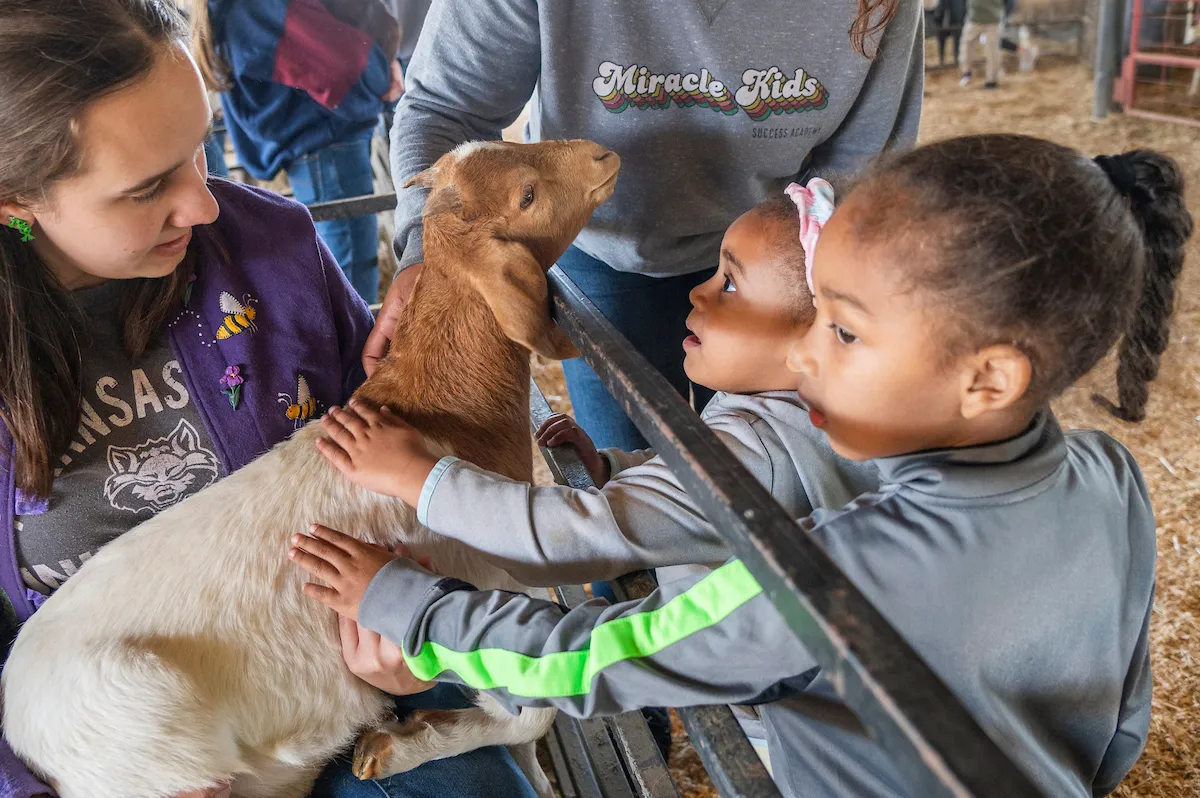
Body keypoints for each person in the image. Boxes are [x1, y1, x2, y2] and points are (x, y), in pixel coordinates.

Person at [291, 133, 1193, 797]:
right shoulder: (1113, 478)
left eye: (841, 332)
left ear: (988, 377)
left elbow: (609, 653)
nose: (803, 359)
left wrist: (413, 608)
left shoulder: (833, 571)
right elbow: (1118, 727)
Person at [0, 2, 536, 797]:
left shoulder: (269, 245)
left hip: (339, 683)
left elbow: (388, 449)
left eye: (201, 151)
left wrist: (419, 622)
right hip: (123, 748)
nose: (206, 204)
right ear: (15, 205)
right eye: (149, 188)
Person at [365, 0, 926, 454]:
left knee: (775, 460)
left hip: (779, 271)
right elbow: (446, 104)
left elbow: (860, 172)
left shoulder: (879, 8)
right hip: (603, 256)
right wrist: (433, 256)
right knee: (625, 475)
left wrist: (817, 309)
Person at [191, 0, 405, 303]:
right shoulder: (260, 7)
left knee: (346, 257)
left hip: (319, 142)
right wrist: (381, 74)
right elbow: (339, 61)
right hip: (324, 144)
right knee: (352, 268)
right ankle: (356, 345)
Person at [959, 0, 1005, 88]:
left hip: (979, 18)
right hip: (988, 18)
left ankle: (967, 72)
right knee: (992, 50)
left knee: (968, 45)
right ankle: (990, 80)